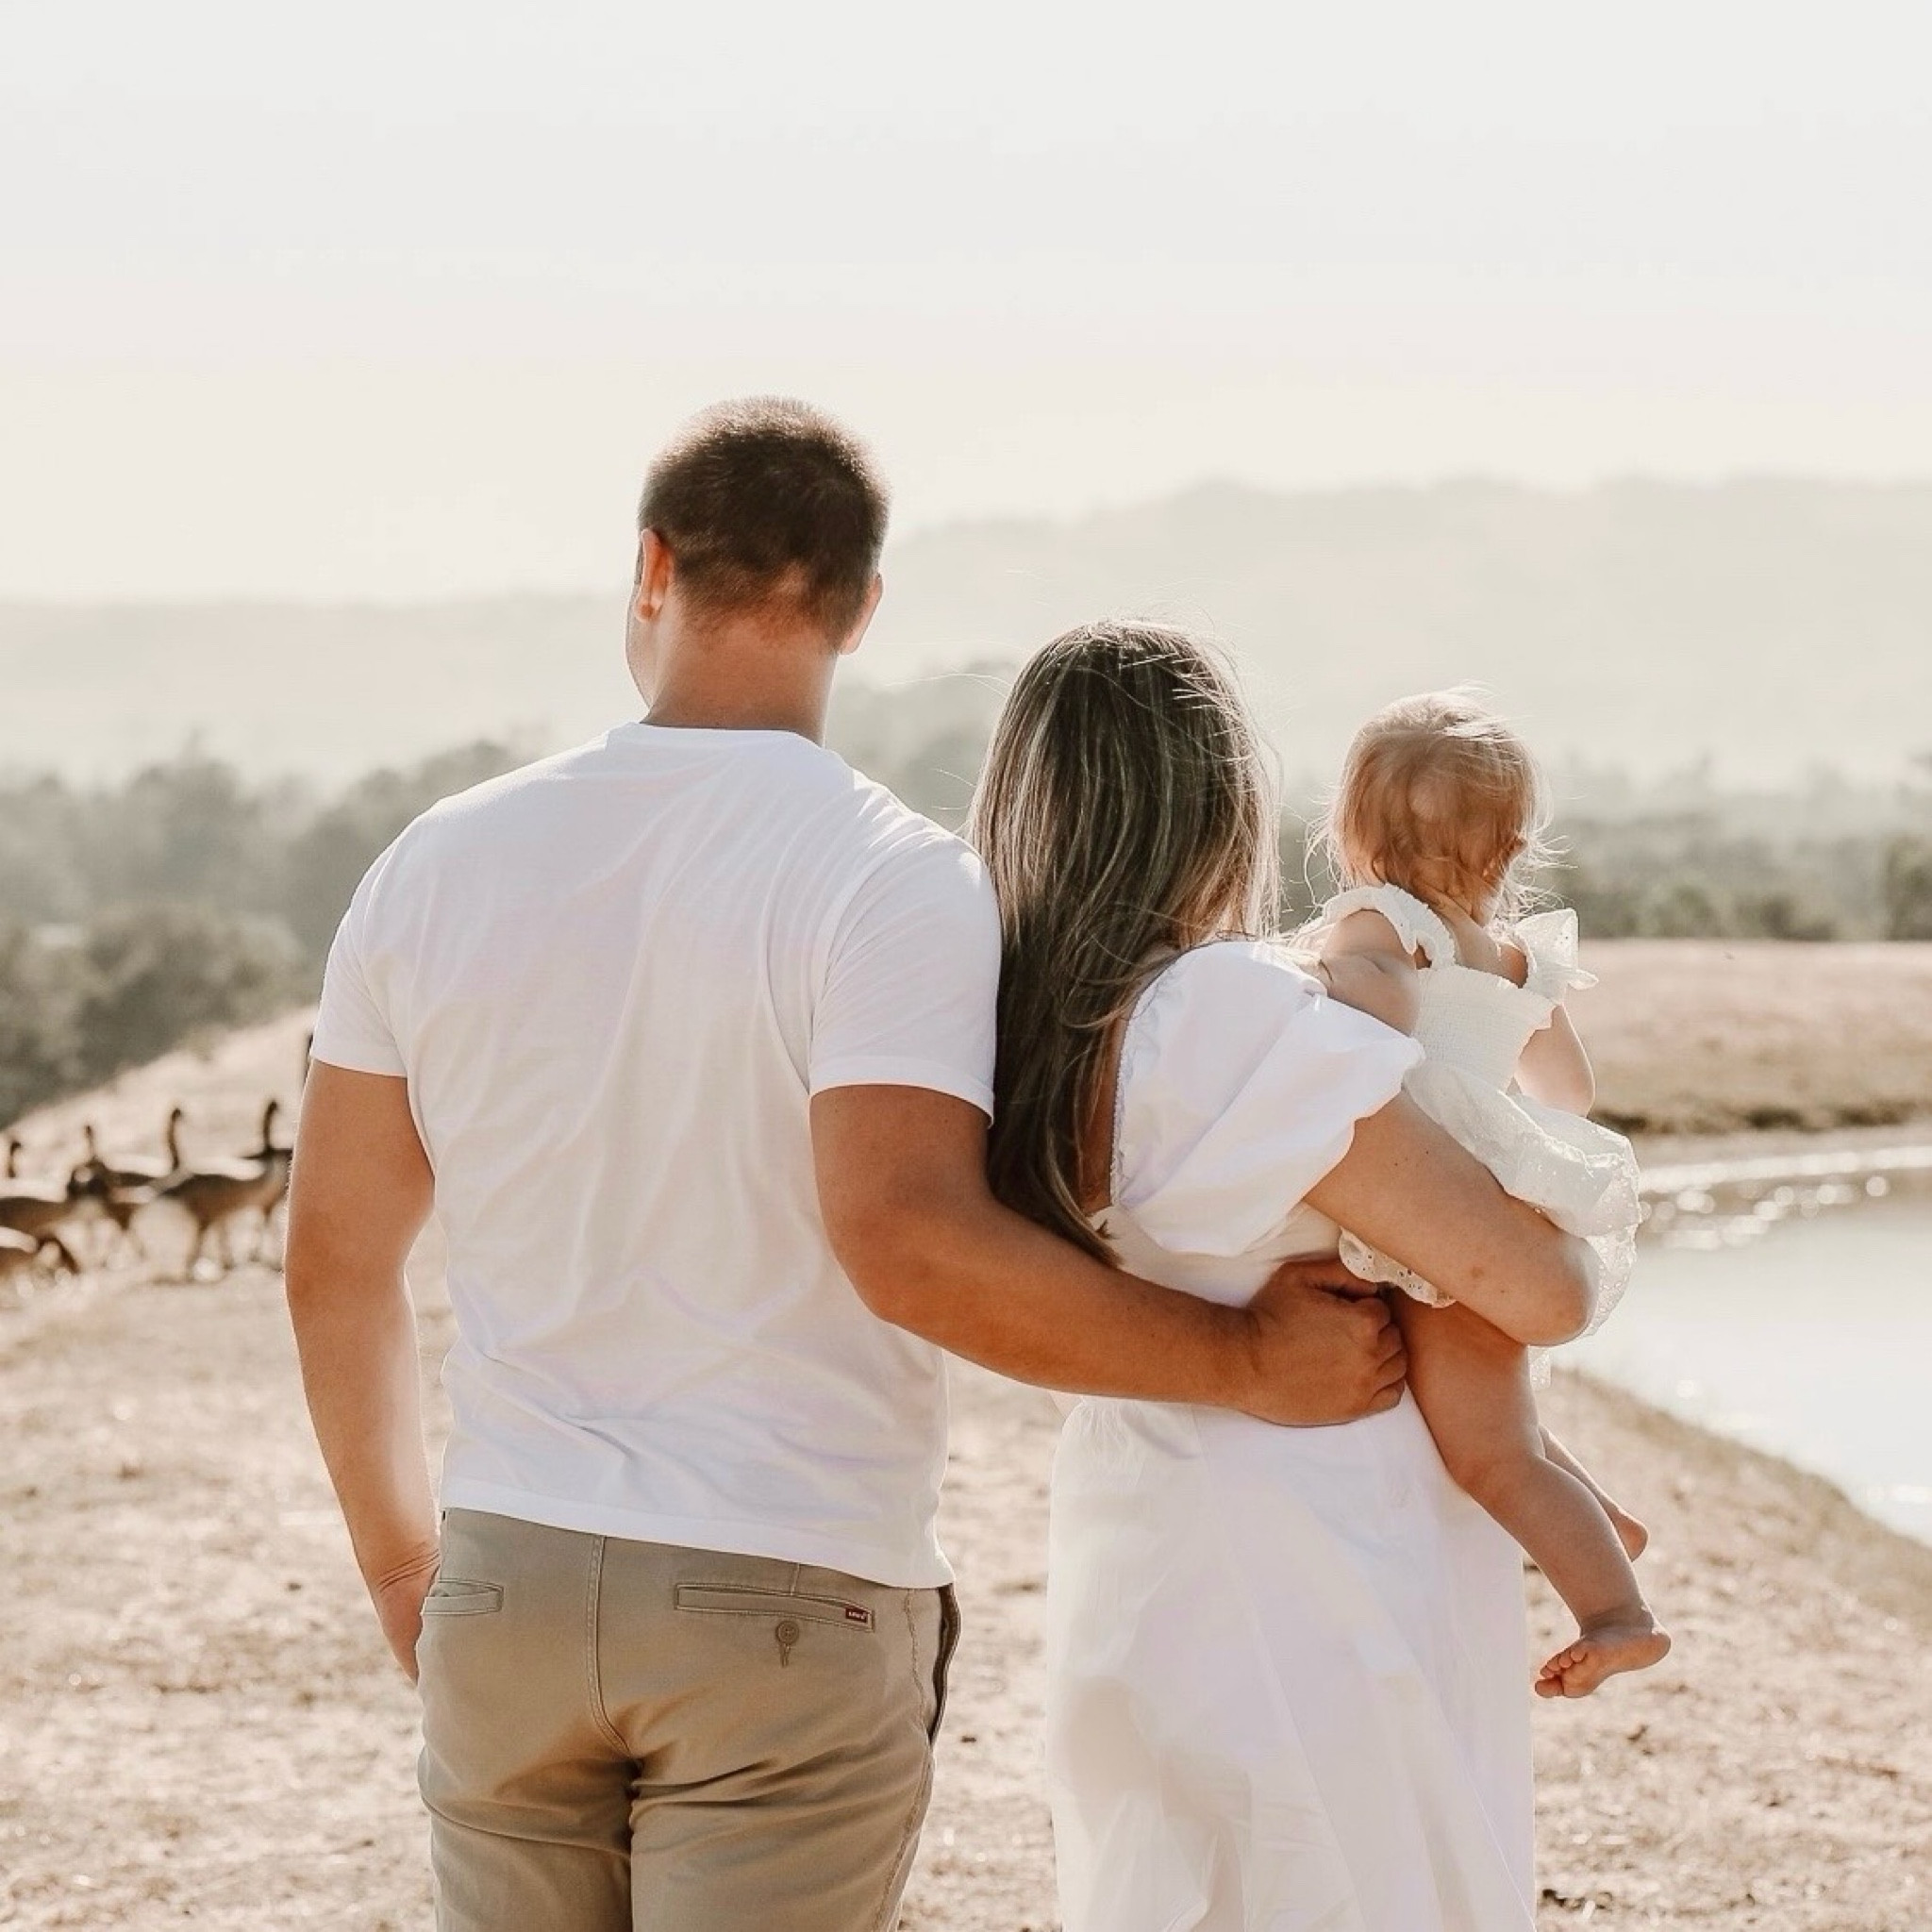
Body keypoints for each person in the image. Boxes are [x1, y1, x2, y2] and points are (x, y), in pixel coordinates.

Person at [283, 399, 1408, 1932]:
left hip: (507, 1572)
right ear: (863, 604)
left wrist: (403, 1561)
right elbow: (907, 1238)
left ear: (648, 568)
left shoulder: (432, 862)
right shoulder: (889, 877)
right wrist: (1240, 1358)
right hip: (786, 1583)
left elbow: (337, 1256)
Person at [968, 624, 1599, 1932]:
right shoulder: (1227, 1016)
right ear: (1223, 802)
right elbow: (1541, 1292)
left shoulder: (1008, 1021)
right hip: (1321, 1557)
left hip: (1143, 1524)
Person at [1308, 690, 1668, 1697]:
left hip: (1433, 1205)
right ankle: (1608, 1523)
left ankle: (1615, 1613)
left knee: (1489, 1453)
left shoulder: (1379, 923)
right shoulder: (1514, 954)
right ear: (1508, 843)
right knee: (1483, 1402)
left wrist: (1318, 991)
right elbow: (1572, 1091)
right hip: (1503, 1195)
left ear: (1354, 824)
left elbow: (1368, 1012)